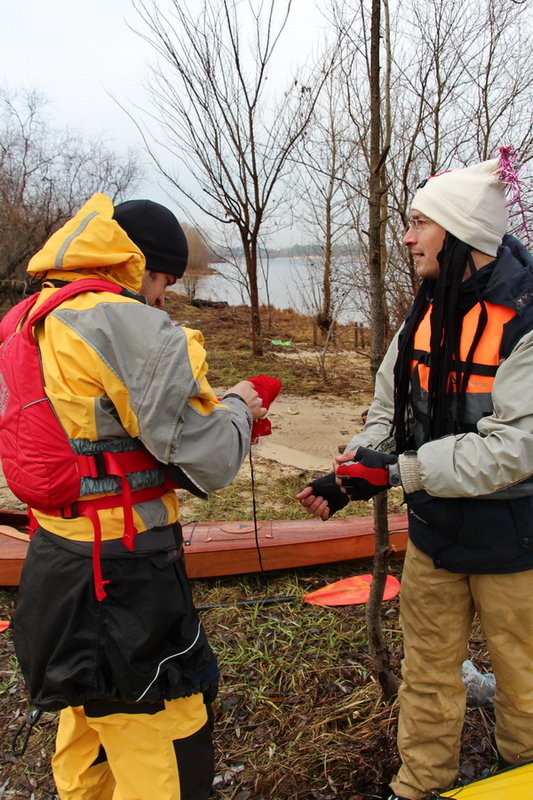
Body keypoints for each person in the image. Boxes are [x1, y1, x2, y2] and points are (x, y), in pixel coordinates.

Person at [9, 193, 266, 800]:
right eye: (166, 281)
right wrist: (240, 407)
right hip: (124, 581)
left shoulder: (33, 315)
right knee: (168, 735)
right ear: (143, 268)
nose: (163, 296)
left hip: (58, 563)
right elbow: (208, 457)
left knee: (87, 718)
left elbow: (97, 436)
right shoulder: (118, 320)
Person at [297, 153, 533, 800]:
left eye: (419, 223)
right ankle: (418, 785)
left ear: (459, 234)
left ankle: (520, 779)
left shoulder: (526, 321)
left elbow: (514, 448)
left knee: (523, 679)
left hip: (514, 539)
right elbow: (387, 409)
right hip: (434, 532)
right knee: (428, 672)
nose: (405, 236)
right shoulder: (427, 307)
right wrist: (352, 471)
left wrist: (396, 472)